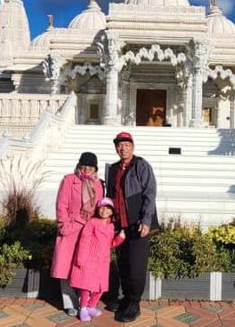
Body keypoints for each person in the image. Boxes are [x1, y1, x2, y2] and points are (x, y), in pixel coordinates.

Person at [105, 131, 159, 322]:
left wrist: (146, 220)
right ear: (116, 148)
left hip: (137, 224)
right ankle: (127, 298)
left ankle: (134, 303)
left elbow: (150, 194)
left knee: (136, 267)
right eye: (120, 145)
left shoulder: (141, 166)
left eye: (126, 144)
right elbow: (110, 196)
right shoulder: (112, 169)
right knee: (124, 264)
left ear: (132, 146)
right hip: (120, 225)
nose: (123, 148)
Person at [50, 152, 103, 316]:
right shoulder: (69, 180)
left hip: (89, 231)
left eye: (90, 166)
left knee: (84, 267)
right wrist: (64, 225)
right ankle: (69, 302)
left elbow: (100, 207)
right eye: (84, 165)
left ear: (95, 168)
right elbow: (61, 205)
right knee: (65, 266)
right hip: (71, 228)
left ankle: (83, 301)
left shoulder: (99, 184)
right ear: (79, 165)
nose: (86, 169)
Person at [68, 198, 126, 322]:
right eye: (102, 207)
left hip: (103, 261)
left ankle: (91, 306)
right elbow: (84, 240)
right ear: (98, 209)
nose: (104, 210)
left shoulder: (110, 226)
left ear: (111, 212)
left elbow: (109, 244)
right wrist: (81, 258)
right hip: (90, 258)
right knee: (86, 285)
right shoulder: (92, 223)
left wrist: (120, 238)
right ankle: (83, 308)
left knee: (101, 286)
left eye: (108, 208)